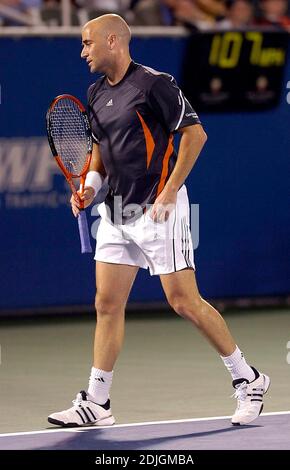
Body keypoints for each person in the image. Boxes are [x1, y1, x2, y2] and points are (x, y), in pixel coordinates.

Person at [48, 14, 270, 428]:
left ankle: (248, 378)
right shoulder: (95, 93)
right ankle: (97, 402)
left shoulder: (155, 84)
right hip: (115, 213)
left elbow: (195, 135)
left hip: (157, 208)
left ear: (112, 41)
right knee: (107, 304)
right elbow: (100, 152)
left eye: (87, 44)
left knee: (183, 301)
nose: (82, 52)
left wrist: (169, 192)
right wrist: (91, 188)